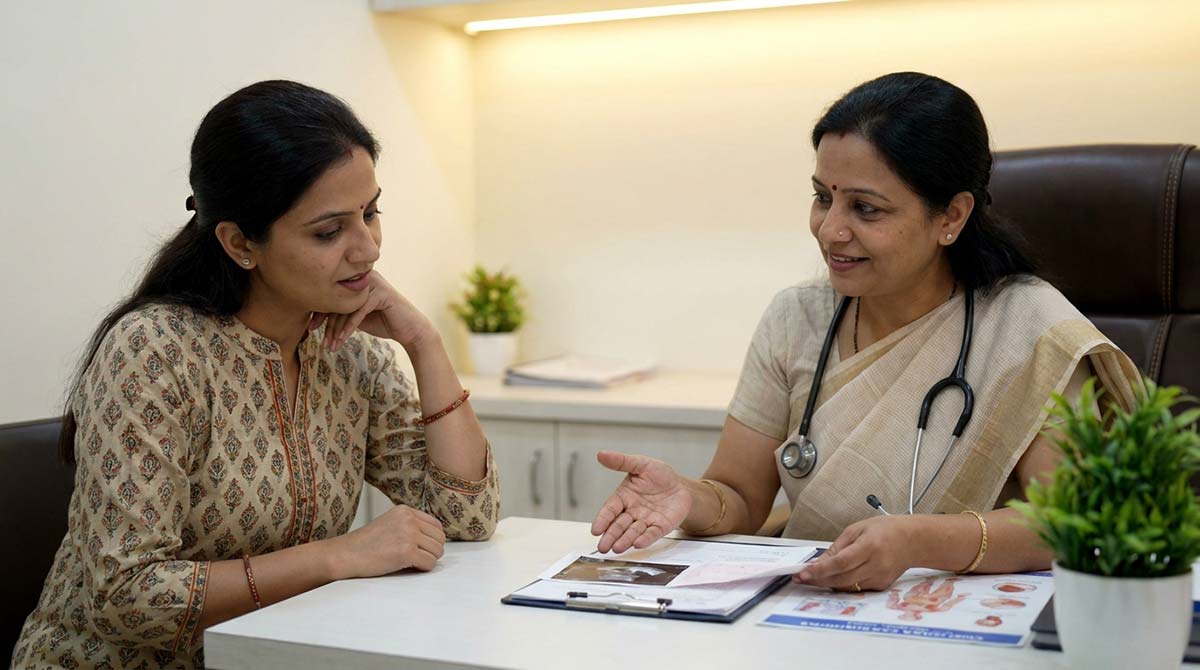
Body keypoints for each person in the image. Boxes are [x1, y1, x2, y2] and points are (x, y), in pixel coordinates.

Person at [589, 72, 1141, 593]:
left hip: (964, 614)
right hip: (815, 606)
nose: (830, 230)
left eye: (865, 208)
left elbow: (1069, 522)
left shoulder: (1029, 330)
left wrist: (918, 541)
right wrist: (686, 496)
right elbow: (738, 497)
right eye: (823, 198)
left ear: (951, 216)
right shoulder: (796, 319)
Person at [12, 80, 499, 670]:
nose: (368, 249)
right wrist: (334, 558)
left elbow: (465, 518)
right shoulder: (154, 352)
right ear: (240, 243)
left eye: (371, 213)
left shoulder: (349, 352)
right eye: (329, 231)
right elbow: (125, 596)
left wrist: (425, 344)